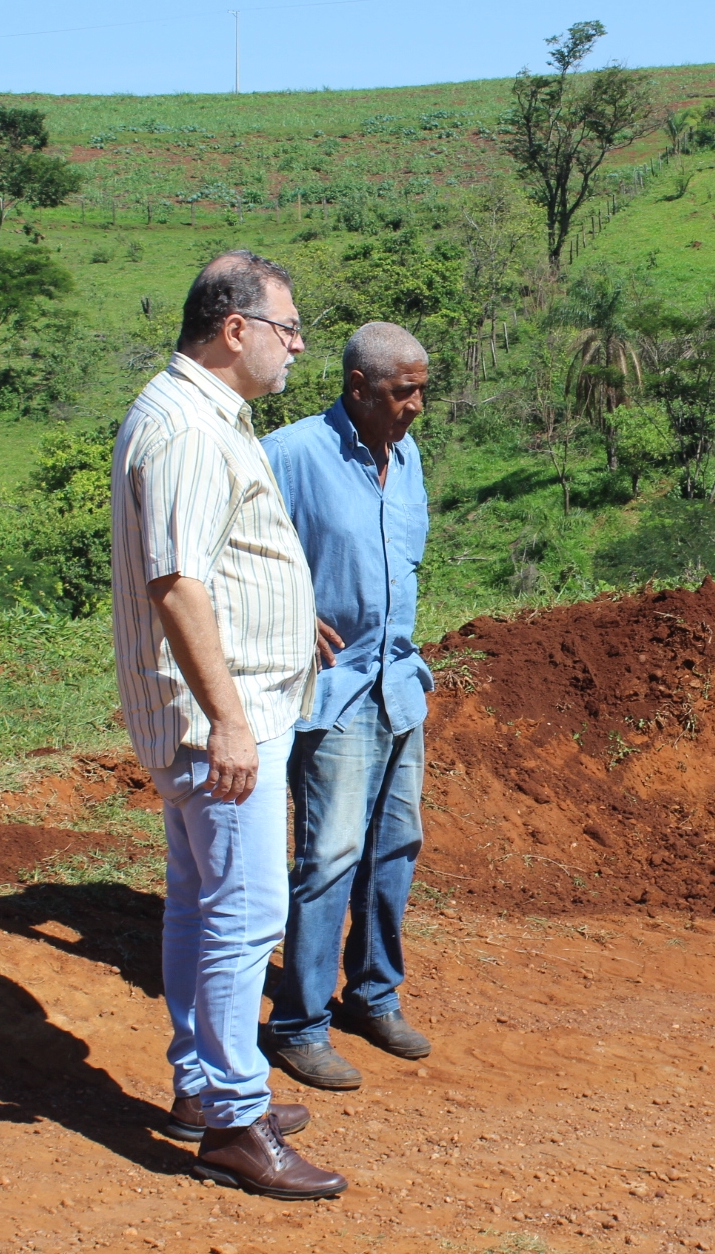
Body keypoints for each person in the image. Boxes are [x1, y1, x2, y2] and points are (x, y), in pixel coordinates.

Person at [110, 250, 346, 1200]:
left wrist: (291, 617)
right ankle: (236, 1123)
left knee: (202, 903)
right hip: (221, 717)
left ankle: (204, 1087)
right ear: (235, 328)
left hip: (225, 703)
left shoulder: (205, 414)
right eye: (288, 328)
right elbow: (178, 583)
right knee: (246, 913)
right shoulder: (186, 430)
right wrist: (229, 722)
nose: (298, 347)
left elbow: (221, 560)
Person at [261, 321, 435, 1091]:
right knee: (329, 857)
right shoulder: (292, 454)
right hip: (335, 692)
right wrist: (290, 611)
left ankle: (373, 994)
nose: (416, 406)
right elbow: (230, 549)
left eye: (422, 391)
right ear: (359, 388)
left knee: (395, 848)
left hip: (398, 685)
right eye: (403, 392)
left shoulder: (409, 456)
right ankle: (298, 1025)